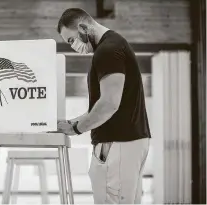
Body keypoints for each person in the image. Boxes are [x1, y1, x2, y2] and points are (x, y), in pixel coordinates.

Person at [56, 8, 151, 204]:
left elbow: (109, 104)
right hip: (128, 143)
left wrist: (77, 128)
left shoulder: (107, 50)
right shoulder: (114, 45)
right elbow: (103, 105)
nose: (73, 46)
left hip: (118, 144)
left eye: (71, 40)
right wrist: (70, 123)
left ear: (83, 27)